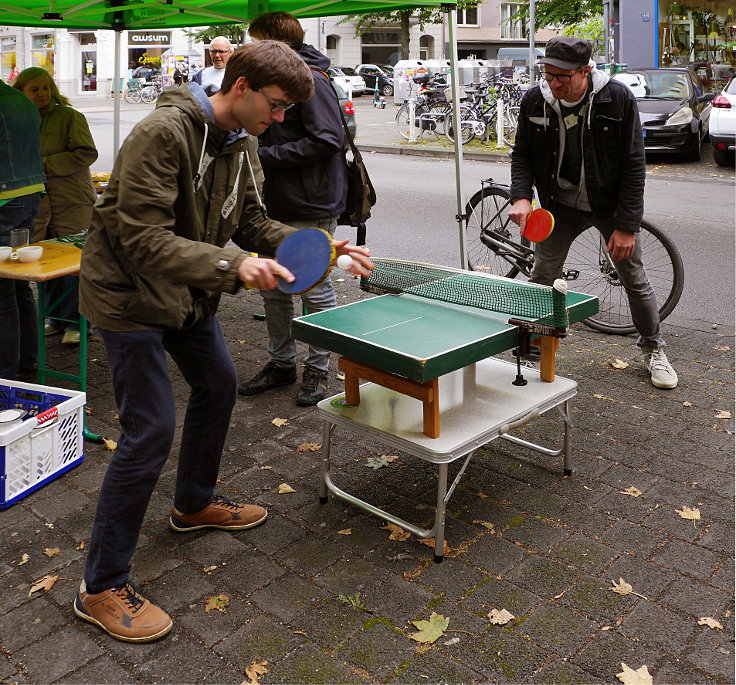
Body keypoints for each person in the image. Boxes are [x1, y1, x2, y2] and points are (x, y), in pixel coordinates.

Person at [73, 40, 372, 644]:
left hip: (187, 294)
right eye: (278, 104)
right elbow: (140, 239)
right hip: (128, 296)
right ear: (240, 86)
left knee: (218, 381)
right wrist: (233, 267)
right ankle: (100, 585)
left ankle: (193, 503)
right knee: (150, 428)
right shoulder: (163, 134)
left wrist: (321, 245)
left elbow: (253, 221)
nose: (281, 118)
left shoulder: (243, 142)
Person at [509, 36, 678, 389]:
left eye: (562, 76)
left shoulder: (616, 98)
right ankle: (537, 342)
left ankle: (653, 349)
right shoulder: (535, 100)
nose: (553, 83)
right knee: (542, 276)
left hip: (608, 206)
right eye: (548, 73)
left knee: (633, 277)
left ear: (585, 71)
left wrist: (627, 226)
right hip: (559, 204)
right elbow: (522, 153)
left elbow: (634, 164)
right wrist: (521, 196)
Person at [238, 11, 348, 406]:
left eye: (255, 41)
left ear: (273, 42)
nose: (248, 48)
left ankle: (317, 368)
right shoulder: (281, 77)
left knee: (313, 287)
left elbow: (328, 139)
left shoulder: (311, 80)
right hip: (277, 203)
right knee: (274, 286)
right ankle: (281, 363)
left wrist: (265, 156)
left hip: (310, 201)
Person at [13, 68, 98, 345]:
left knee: (73, 264)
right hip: (40, 203)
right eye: (34, 89)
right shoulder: (18, 120)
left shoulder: (70, 117)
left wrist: (43, 167)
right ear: (21, 92)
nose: (42, 94)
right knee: (45, 260)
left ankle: (78, 323)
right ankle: (54, 318)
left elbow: (86, 153)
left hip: (72, 199)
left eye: (46, 88)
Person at [0, 80, 44, 380]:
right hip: (27, 196)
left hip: (5, 198)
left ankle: (6, 376)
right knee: (18, 286)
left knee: (2, 294)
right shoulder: (19, 98)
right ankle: (27, 364)